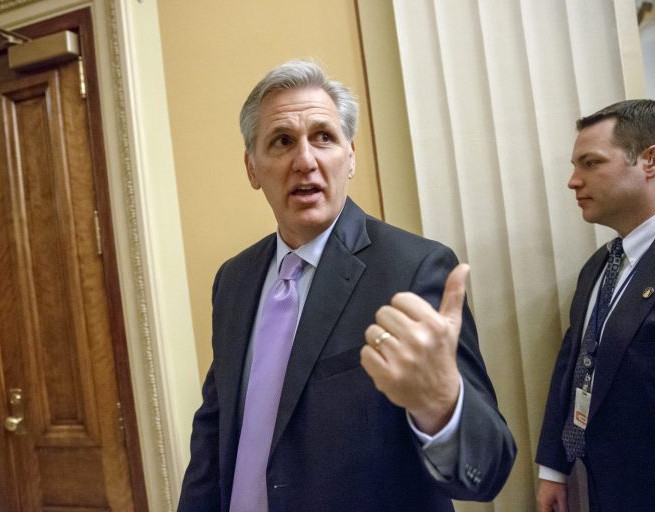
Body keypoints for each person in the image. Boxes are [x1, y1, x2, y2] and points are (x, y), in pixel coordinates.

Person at [178, 59, 515, 512]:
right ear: (252, 169)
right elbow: (214, 433)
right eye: (282, 141)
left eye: (324, 137)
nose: (305, 160)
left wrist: (440, 404)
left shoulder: (414, 269)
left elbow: (487, 471)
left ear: (350, 157)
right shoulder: (234, 279)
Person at [536, 99, 655, 512]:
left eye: (591, 163)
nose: (573, 181)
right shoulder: (600, 266)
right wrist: (554, 468)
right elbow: (574, 363)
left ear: (652, 161)